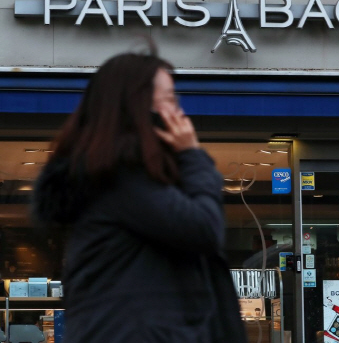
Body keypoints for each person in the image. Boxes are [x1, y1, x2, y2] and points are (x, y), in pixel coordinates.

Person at [31, 48, 247, 343]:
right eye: (170, 99)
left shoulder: (109, 176)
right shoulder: (121, 177)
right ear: (137, 106)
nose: (179, 112)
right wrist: (194, 157)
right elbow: (203, 228)